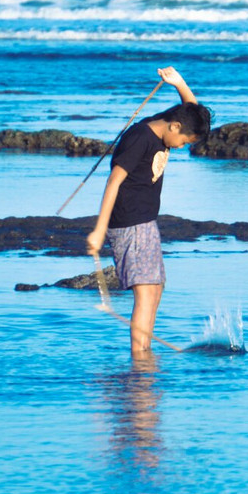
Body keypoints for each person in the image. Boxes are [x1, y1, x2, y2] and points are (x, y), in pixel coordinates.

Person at [86, 67, 212, 356]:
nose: (180, 148)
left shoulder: (166, 127)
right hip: (129, 223)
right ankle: (140, 357)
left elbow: (192, 111)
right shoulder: (140, 137)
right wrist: (99, 229)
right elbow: (114, 181)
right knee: (144, 293)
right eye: (183, 142)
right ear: (175, 127)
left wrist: (179, 82)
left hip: (146, 222)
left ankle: (144, 350)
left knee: (155, 290)